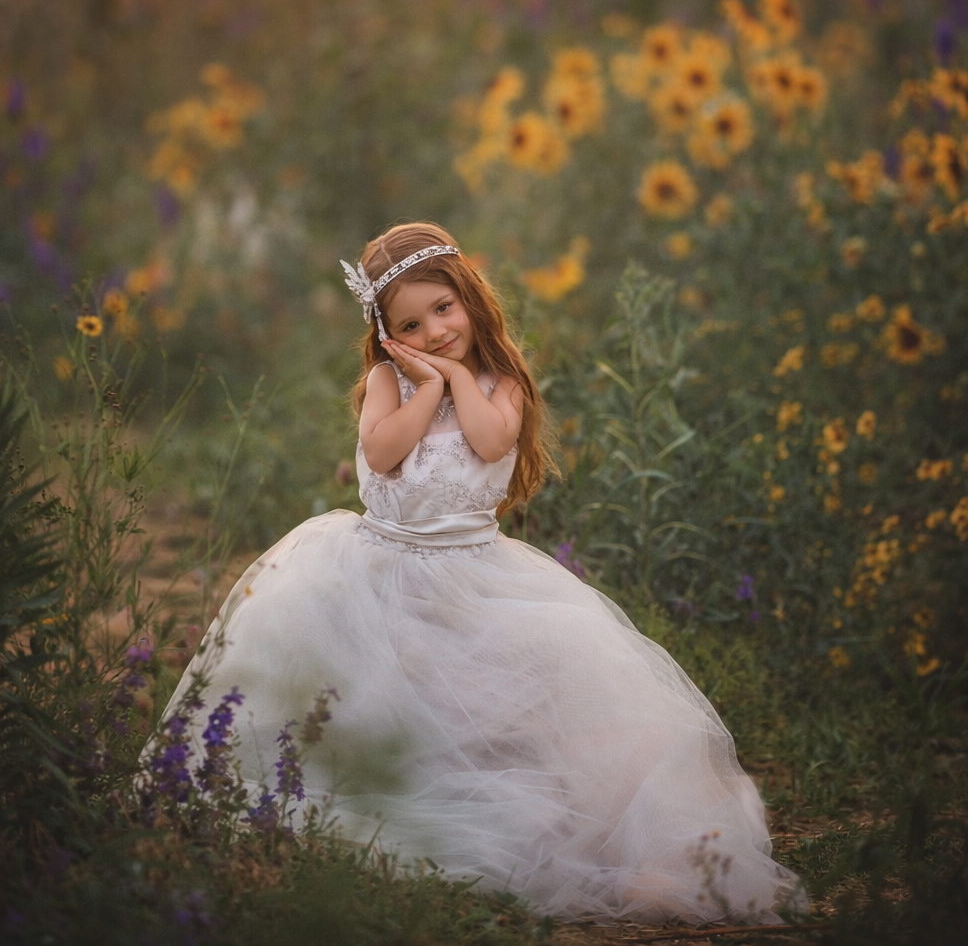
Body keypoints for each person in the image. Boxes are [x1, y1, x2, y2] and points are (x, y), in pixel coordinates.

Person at [158, 221, 805, 923]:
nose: (435, 331)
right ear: (386, 334)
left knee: (487, 715)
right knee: (361, 701)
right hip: (375, 571)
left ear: (469, 298)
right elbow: (379, 453)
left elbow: (491, 439)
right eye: (411, 322)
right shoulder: (387, 380)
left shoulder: (502, 386)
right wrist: (425, 387)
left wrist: (459, 376)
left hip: (473, 580)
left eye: (444, 309)